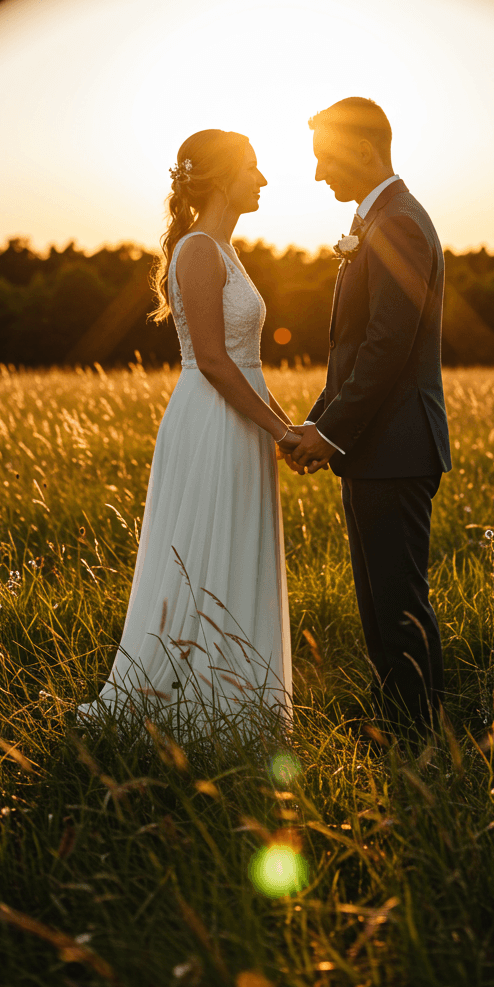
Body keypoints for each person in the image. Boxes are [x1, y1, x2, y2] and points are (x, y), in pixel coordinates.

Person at [78, 130, 298, 725]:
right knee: (204, 547)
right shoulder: (199, 249)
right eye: (254, 168)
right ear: (224, 178)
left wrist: (288, 427)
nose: (264, 179)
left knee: (234, 542)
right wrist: (282, 435)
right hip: (212, 421)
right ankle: (195, 708)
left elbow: (247, 364)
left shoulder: (223, 249)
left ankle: (234, 699)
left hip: (239, 416)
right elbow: (214, 360)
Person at [286, 97, 451, 737]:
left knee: (398, 606)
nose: (319, 174)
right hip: (375, 447)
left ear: (362, 150)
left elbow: (388, 346)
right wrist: (317, 424)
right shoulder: (379, 219)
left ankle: (420, 743)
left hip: (397, 447)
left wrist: (327, 434)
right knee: (379, 607)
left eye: (325, 158)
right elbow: (353, 349)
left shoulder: (401, 223)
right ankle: (399, 728)